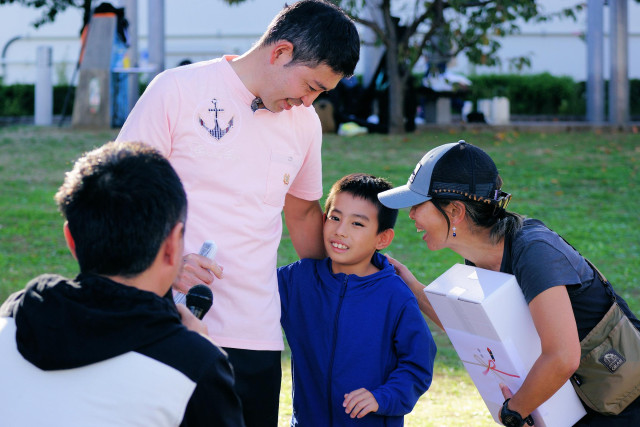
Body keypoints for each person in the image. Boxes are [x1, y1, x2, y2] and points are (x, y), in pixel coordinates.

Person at [115, 1, 360, 425]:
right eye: (311, 86)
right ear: (281, 52)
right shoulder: (176, 90)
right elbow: (118, 194)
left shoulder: (304, 123)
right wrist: (161, 264)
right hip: (164, 321)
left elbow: (303, 214)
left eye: (321, 93)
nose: (310, 101)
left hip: (256, 337)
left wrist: (353, 279)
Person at [377, 140, 640, 426]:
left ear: (455, 211)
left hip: (624, 404)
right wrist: (410, 286)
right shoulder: (480, 258)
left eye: (418, 205)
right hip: (582, 402)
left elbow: (562, 357)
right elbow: (476, 330)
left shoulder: (534, 251)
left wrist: (513, 413)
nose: (411, 214)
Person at [0, 141, 245, 427]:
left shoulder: (9, 324)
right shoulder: (195, 368)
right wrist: (196, 348)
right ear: (172, 246)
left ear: (71, 240)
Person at [277, 173, 437, 426]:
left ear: (382, 238)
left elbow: (417, 364)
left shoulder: (395, 296)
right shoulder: (297, 280)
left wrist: (382, 397)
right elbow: (248, 293)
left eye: (357, 224)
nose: (340, 231)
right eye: (335, 218)